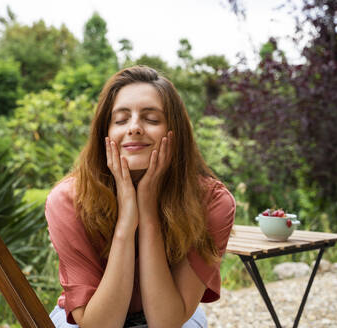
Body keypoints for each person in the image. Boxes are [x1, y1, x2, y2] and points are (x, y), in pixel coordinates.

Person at [45, 66, 235, 328]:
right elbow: (98, 325)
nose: (134, 128)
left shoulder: (212, 202)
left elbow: (166, 322)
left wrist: (147, 212)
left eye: (152, 119)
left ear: (174, 132)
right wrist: (126, 223)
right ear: (105, 134)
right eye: (121, 120)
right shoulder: (68, 200)